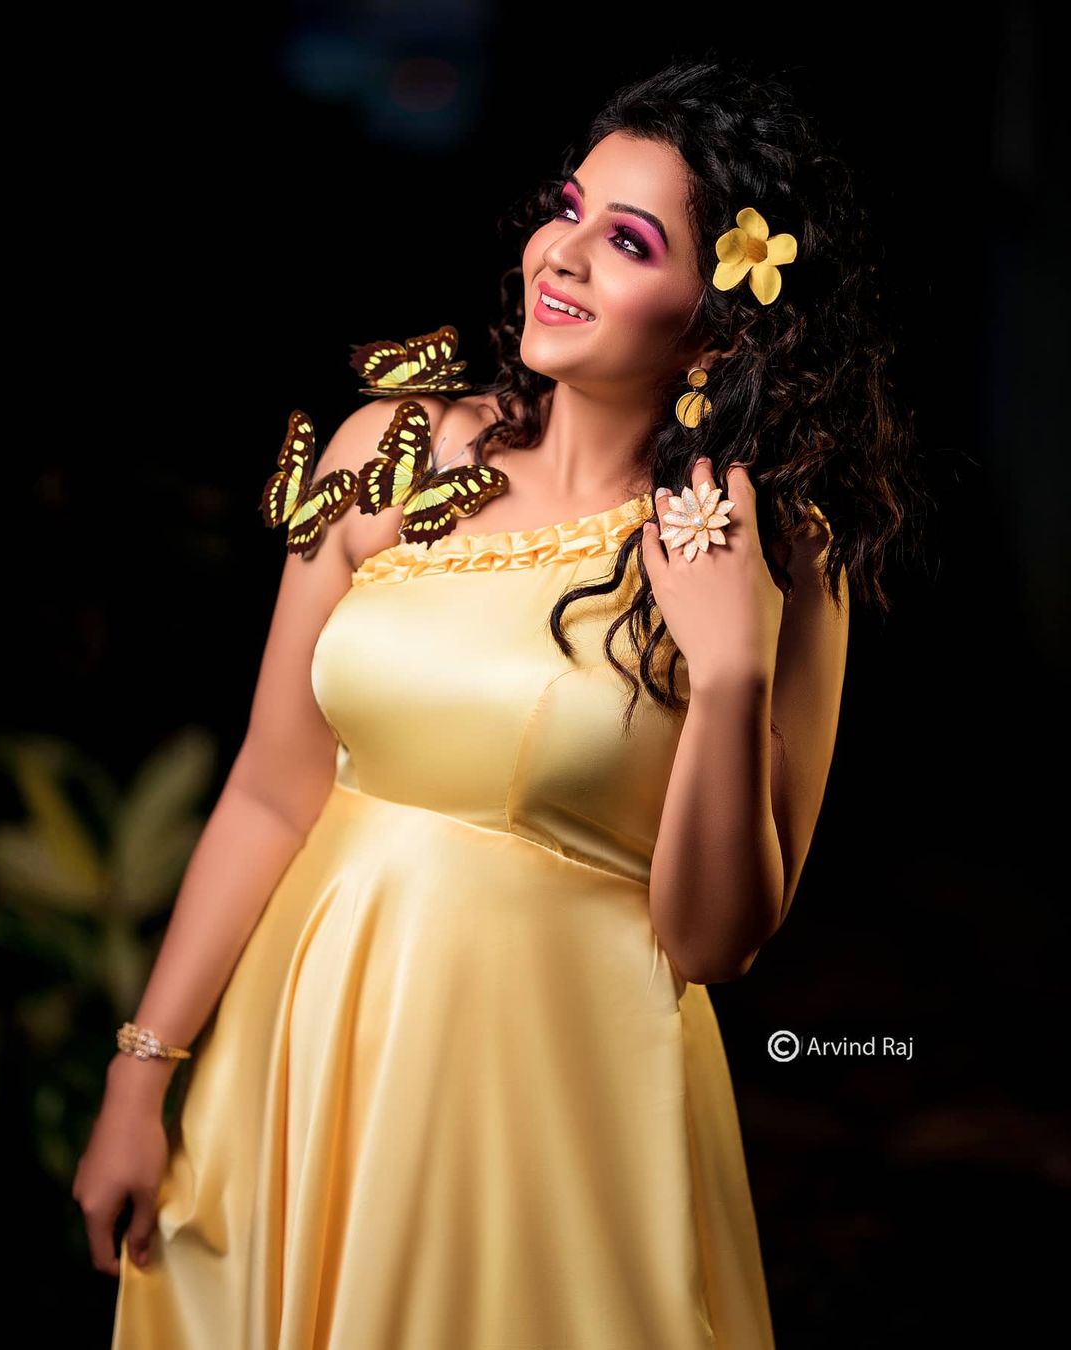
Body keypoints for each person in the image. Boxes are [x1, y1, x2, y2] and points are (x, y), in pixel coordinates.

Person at [73, 52, 918, 1350]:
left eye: (627, 241)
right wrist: (143, 1072)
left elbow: (713, 944)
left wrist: (731, 671)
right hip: (311, 1046)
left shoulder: (775, 558)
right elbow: (271, 788)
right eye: (568, 208)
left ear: (722, 325)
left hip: (555, 1102)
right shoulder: (389, 449)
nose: (559, 254)